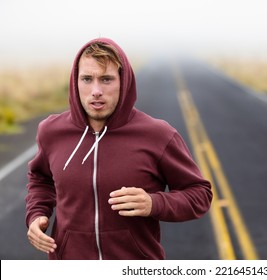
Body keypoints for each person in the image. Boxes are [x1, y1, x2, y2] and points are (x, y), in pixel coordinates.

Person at [25, 38, 213, 260]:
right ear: (75, 82)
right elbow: (41, 179)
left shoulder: (158, 134)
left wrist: (154, 203)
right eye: (87, 79)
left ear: (123, 82)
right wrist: (37, 214)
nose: (96, 91)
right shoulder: (51, 131)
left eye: (106, 79)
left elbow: (200, 194)